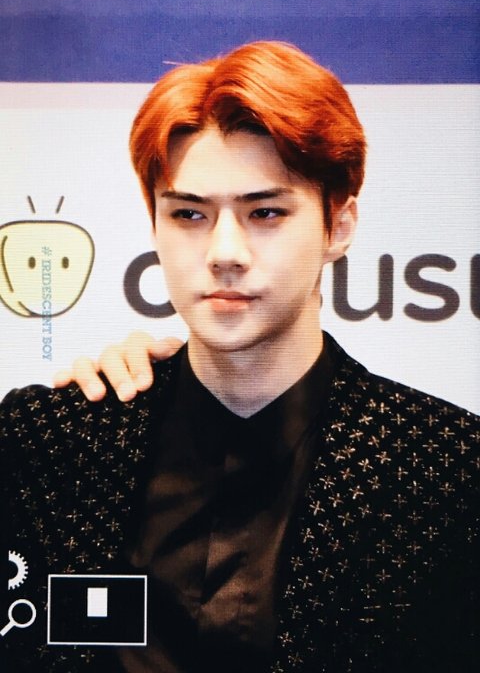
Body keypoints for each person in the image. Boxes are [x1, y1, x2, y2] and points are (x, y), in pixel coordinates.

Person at [1, 41, 479, 673]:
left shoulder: (444, 471)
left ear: (338, 226)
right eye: (189, 214)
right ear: (154, 225)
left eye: (265, 212)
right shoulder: (51, 442)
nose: (224, 252)